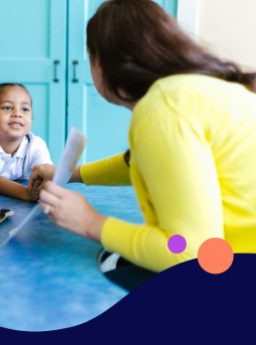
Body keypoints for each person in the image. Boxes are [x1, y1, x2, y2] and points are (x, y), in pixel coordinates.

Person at [30, 0, 256, 288]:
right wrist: (71, 175)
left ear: (105, 61)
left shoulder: (162, 110)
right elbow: (144, 161)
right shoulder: (196, 93)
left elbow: (186, 250)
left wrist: (90, 223)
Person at [0, 82, 53, 201]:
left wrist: (43, 184)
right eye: (7, 108)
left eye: (25, 109)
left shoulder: (36, 144)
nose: (17, 114)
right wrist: (28, 194)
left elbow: (44, 172)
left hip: (24, 208)